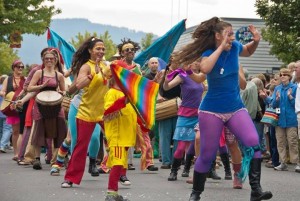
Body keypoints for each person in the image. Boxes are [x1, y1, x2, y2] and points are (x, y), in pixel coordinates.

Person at [171, 17, 272, 201]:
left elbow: (248, 51)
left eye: (233, 34)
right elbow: (206, 69)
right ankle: (196, 193)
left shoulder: (235, 48)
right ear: (218, 36)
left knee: (253, 143)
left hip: (235, 107)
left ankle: (256, 191)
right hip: (211, 110)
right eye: (229, 34)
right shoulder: (209, 53)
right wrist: (220, 47)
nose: (233, 37)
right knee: (207, 154)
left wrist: (255, 41)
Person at [61, 37, 109, 188]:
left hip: (103, 111)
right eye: (98, 49)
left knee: (116, 141)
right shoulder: (85, 67)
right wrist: (90, 76)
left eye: (103, 49)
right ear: (90, 50)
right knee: (80, 145)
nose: (101, 51)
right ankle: (70, 178)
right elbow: (76, 86)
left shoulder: (106, 66)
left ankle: (120, 174)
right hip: (86, 110)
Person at [163, 60, 205, 181]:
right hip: (185, 115)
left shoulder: (202, 78)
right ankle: (174, 171)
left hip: (198, 115)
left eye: (199, 61)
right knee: (181, 147)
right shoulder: (183, 76)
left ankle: (193, 171)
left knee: (195, 146)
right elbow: (167, 87)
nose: (197, 63)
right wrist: (165, 81)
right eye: (195, 61)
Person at [27, 49, 67, 170]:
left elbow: (64, 91)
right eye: (46, 59)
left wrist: (61, 92)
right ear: (43, 60)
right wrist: (41, 86)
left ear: (55, 61)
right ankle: (37, 159)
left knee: (60, 129)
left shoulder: (59, 75)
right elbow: (29, 88)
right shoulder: (39, 73)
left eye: (51, 59)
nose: (49, 60)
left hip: (56, 104)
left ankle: (58, 159)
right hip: (40, 104)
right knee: (39, 130)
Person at [103, 77, 135, 201]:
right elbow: (108, 112)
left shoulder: (125, 94)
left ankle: (114, 194)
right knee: (117, 164)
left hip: (124, 137)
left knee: (120, 164)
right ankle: (110, 193)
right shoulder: (112, 92)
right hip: (117, 137)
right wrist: (123, 101)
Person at [270, 68, 300, 172]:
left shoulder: (295, 87)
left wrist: (290, 97)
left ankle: (296, 162)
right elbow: (273, 105)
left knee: (292, 141)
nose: (282, 76)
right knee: (280, 141)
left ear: (289, 76)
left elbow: (297, 104)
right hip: (279, 120)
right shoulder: (277, 88)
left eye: (284, 74)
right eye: (281, 74)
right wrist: (277, 99)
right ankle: (282, 162)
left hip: (291, 119)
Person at [0, 60, 25, 160]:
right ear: (13, 68)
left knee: (23, 131)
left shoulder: (25, 79)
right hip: (12, 107)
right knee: (15, 131)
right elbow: (3, 90)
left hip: (23, 106)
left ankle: (22, 153)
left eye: (22, 67)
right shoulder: (8, 79)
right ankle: (16, 153)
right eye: (18, 67)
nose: (20, 69)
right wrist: (4, 94)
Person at [0, 75, 12, 153]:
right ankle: (2, 145)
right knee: (7, 129)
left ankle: (4, 144)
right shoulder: (8, 89)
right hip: (6, 111)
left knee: (1, 129)